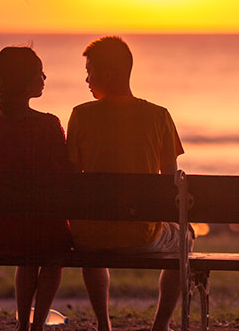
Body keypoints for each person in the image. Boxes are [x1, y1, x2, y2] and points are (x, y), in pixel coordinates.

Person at [66, 36, 188, 331]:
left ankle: (103, 324)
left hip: (90, 237)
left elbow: (70, 180)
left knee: (93, 239)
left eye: (90, 70)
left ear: (107, 74)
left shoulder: (81, 115)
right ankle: (160, 325)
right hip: (142, 237)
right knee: (184, 239)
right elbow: (171, 183)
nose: (86, 78)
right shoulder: (159, 116)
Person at [0, 46, 72, 331]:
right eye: (39, 73)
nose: (44, 77)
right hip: (43, 231)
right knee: (53, 255)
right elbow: (62, 179)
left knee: (27, 241)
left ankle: (23, 328)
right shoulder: (48, 125)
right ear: (25, 81)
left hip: (0, 234)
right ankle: (36, 325)